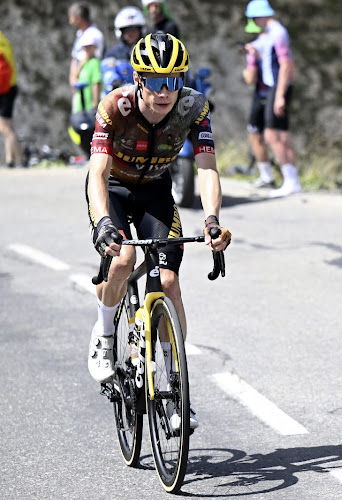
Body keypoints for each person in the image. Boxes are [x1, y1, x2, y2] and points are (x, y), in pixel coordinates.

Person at [86, 33, 232, 430]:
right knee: (124, 258)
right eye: (155, 81)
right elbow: (96, 172)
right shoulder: (114, 106)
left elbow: (207, 168)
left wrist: (212, 220)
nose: (165, 91)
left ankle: (173, 384)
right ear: (138, 78)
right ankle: (103, 333)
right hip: (113, 190)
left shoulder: (193, 107)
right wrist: (102, 222)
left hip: (154, 192)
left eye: (173, 80)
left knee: (167, 281)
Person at [245, 0, 301, 198]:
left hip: (278, 86)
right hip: (276, 86)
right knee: (281, 135)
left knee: (271, 134)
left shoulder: (278, 32)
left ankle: (290, 180)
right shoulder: (271, 34)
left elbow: (286, 64)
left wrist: (279, 96)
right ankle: (292, 179)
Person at [243, 31, 275, 188]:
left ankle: (266, 176)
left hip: (261, 96)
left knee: (255, 135)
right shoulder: (272, 45)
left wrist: (246, 71)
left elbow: (250, 78)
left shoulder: (254, 49)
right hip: (273, 93)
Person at [0, 30, 23, 168]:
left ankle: (20, 158)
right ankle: (10, 159)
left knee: (4, 127)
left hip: (3, 89)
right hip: (9, 87)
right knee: (8, 125)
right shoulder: (4, 42)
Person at [68, 3, 104, 89]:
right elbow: (75, 57)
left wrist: (75, 76)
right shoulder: (80, 34)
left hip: (89, 80)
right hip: (80, 80)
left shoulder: (93, 34)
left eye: (71, 17)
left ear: (78, 18)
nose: (70, 21)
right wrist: (72, 78)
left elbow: (87, 56)